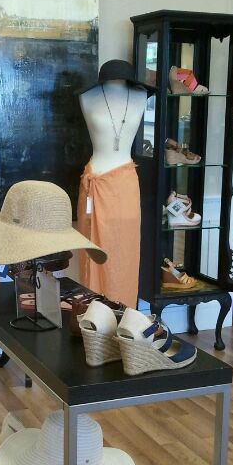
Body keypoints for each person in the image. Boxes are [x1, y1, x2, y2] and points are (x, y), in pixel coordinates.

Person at [76, 60, 155, 307]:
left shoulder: (140, 96)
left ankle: (122, 314)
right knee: (92, 253)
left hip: (124, 187)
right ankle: (92, 318)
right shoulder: (88, 97)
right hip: (94, 186)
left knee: (123, 256)